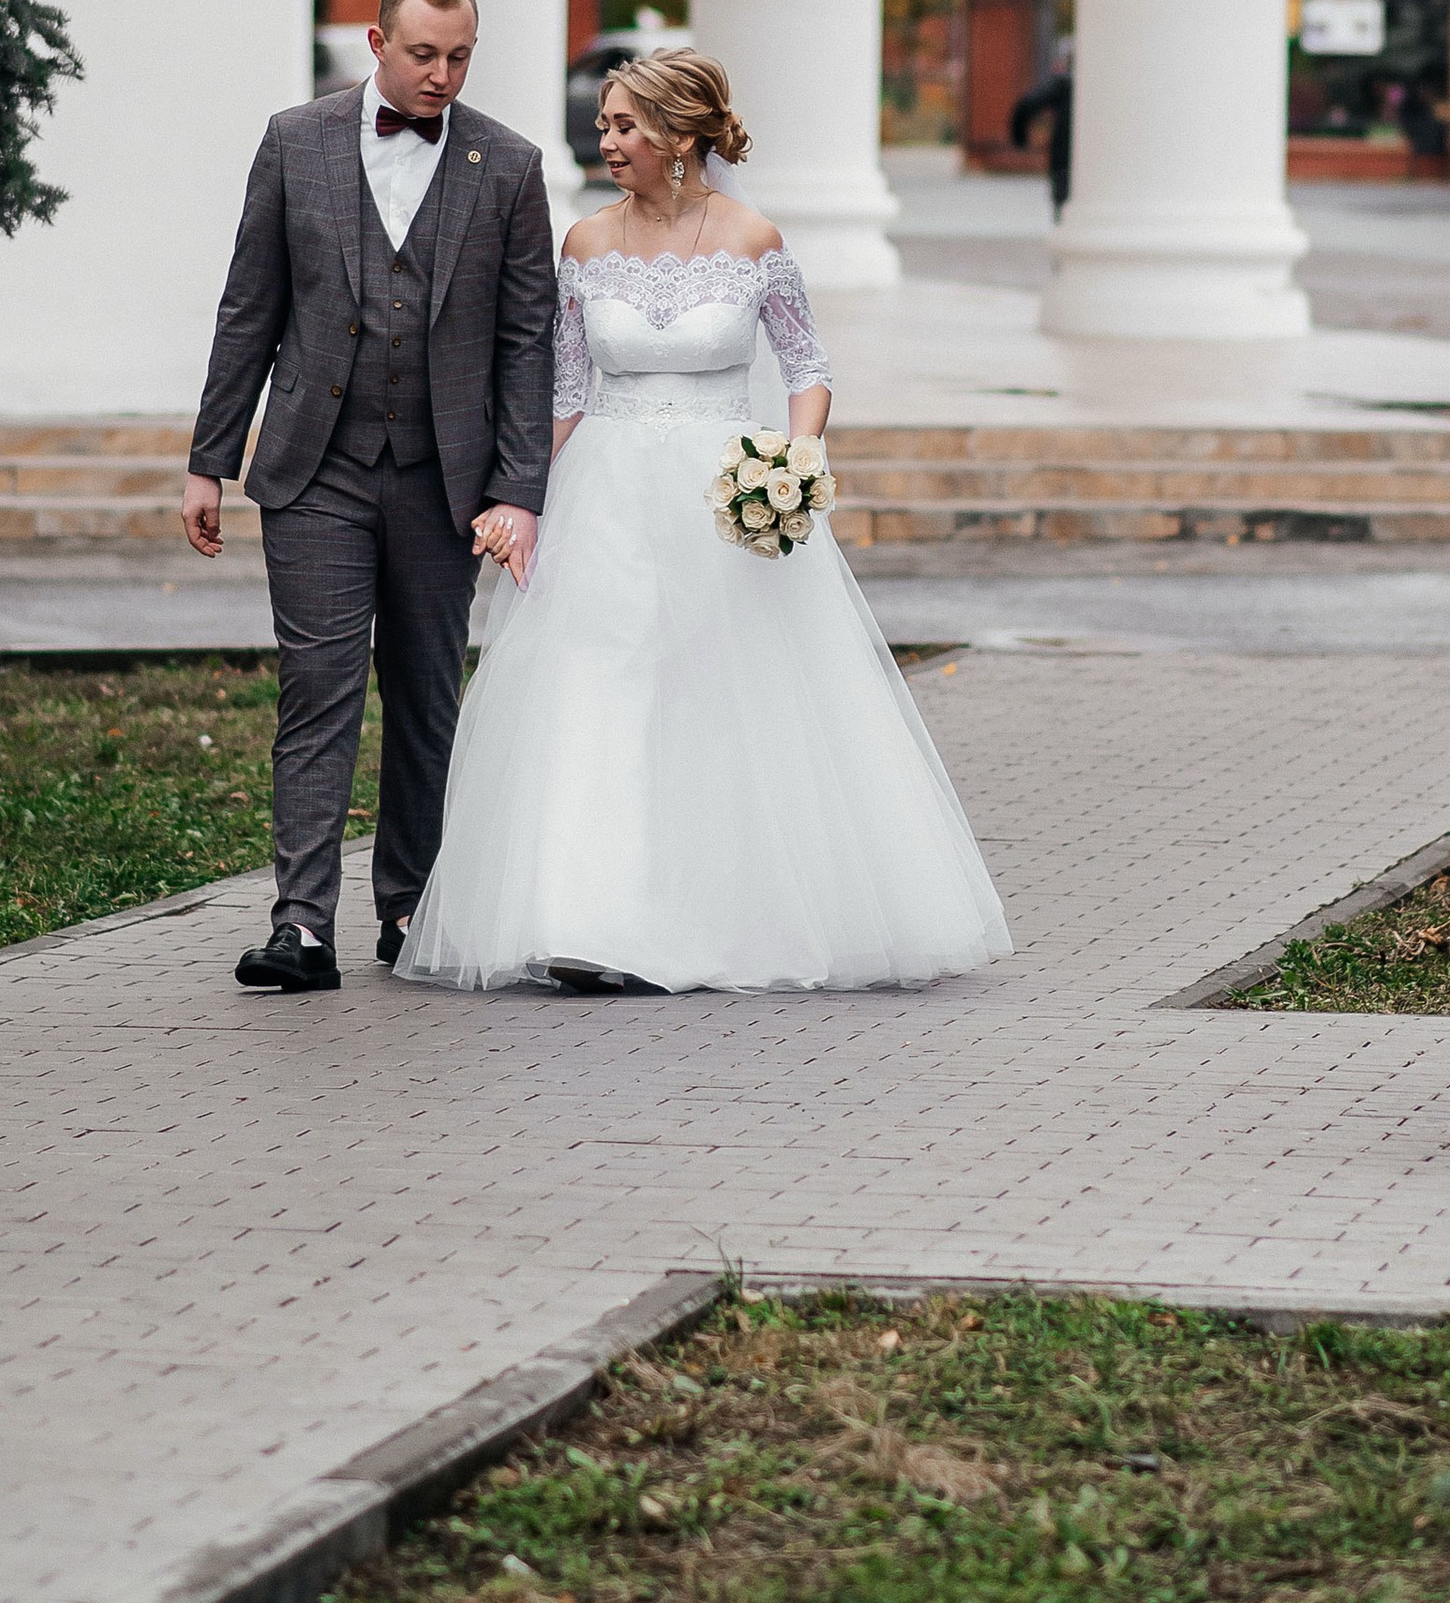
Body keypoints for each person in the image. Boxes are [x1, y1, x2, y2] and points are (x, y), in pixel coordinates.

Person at [397, 49, 1012, 997]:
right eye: (603, 126)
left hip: (724, 497)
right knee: (600, 687)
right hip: (606, 489)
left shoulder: (755, 239)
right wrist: (515, 496)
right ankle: (584, 919)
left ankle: (721, 914)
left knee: (722, 693)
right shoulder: (586, 245)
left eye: (623, 127)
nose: (604, 142)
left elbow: (809, 369)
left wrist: (793, 461)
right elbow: (562, 389)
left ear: (681, 136)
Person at [182, 0, 553, 989]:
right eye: (424, 53)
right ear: (376, 43)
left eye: (460, 56)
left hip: (447, 481)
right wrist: (210, 460)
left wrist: (518, 489)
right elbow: (246, 307)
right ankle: (301, 923)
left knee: (428, 696)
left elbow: (530, 341)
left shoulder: (509, 166)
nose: (442, 75)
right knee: (319, 691)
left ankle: (410, 909)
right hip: (316, 470)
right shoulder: (293, 142)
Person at [1009, 45, 1074, 219]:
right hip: (1093, 161)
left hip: (1065, 158)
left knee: (1063, 212)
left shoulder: (1066, 84)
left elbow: (1026, 104)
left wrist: (1020, 139)